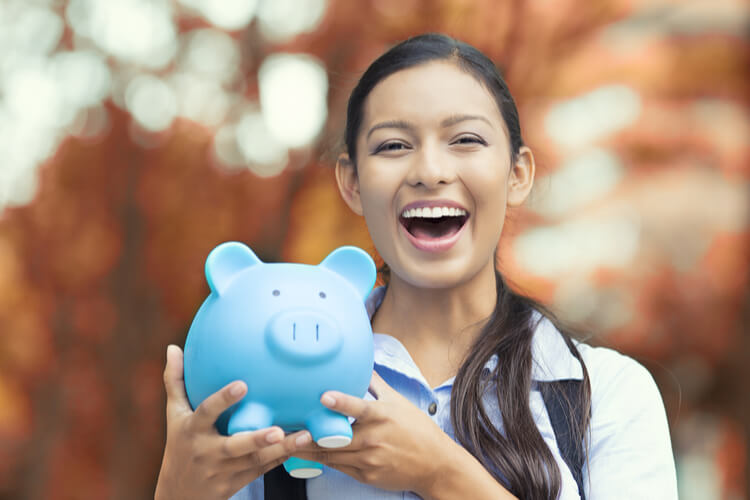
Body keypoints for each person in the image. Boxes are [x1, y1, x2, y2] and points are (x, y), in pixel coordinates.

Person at [155, 33, 678, 500]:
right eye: (394, 146)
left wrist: (441, 474)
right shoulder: (261, 384)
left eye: (465, 140)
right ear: (352, 184)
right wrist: (177, 492)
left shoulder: (605, 395)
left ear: (518, 174)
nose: (430, 170)